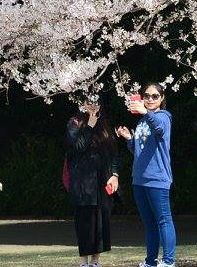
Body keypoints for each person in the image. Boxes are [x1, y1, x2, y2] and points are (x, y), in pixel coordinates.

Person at [116, 84, 174, 267]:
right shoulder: (142, 122)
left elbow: (159, 128)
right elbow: (139, 150)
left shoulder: (163, 117)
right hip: (139, 179)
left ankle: (168, 261)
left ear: (162, 98)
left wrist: (145, 113)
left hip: (157, 178)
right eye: (147, 96)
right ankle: (151, 262)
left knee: (163, 220)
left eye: (155, 96)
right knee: (149, 224)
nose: (150, 99)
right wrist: (129, 139)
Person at [67, 100, 120, 266]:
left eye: (96, 103)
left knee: (100, 222)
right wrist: (89, 124)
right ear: (82, 104)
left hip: (102, 182)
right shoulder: (74, 123)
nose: (93, 107)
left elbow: (114, 153)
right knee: (84, 222)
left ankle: (96, 260)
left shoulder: (104, 125)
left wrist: (115, 174)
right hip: (82, 183)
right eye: (89, 103)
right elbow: (78, 146)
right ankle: (84, 261)